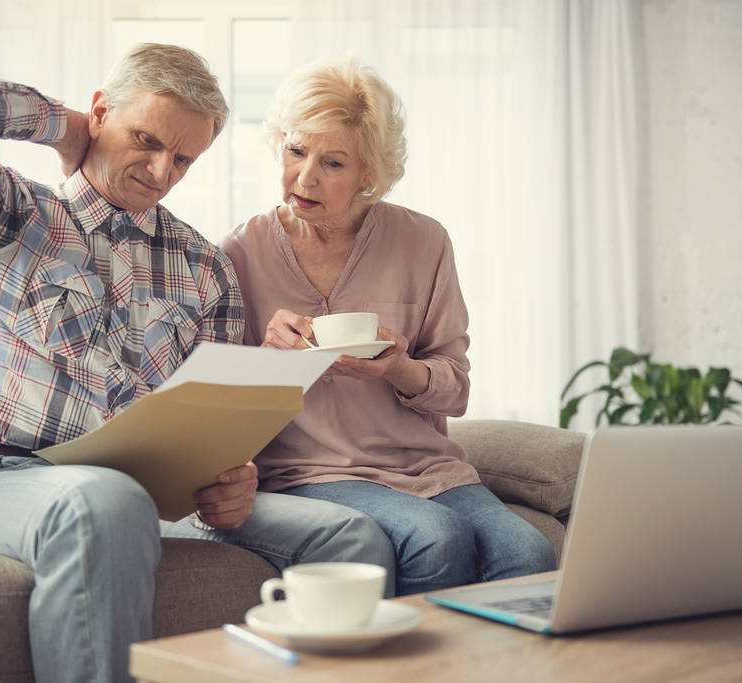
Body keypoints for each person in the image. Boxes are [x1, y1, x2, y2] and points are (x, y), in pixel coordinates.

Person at [0, 44, 394, 683]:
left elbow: (218, 416)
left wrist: (232, 476)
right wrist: (65, 128)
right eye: (145, 139)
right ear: (102, 112)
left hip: (159, 496)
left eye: (184, 158)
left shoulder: (204, 266)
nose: (162, 170)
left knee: (355, 539)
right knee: (105, 502)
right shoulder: (7, 217)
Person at [220, 54, 558, 596]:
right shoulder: (237, 253)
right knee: (436, 537)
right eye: (295, 150)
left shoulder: (423, 243)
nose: (305, 176)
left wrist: (400, 370)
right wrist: (269, 359)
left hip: (426, 468)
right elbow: (217, 405)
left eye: (333, 163)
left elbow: (456, 387)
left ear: (369, 174)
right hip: (307, 472)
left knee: (530, 551)